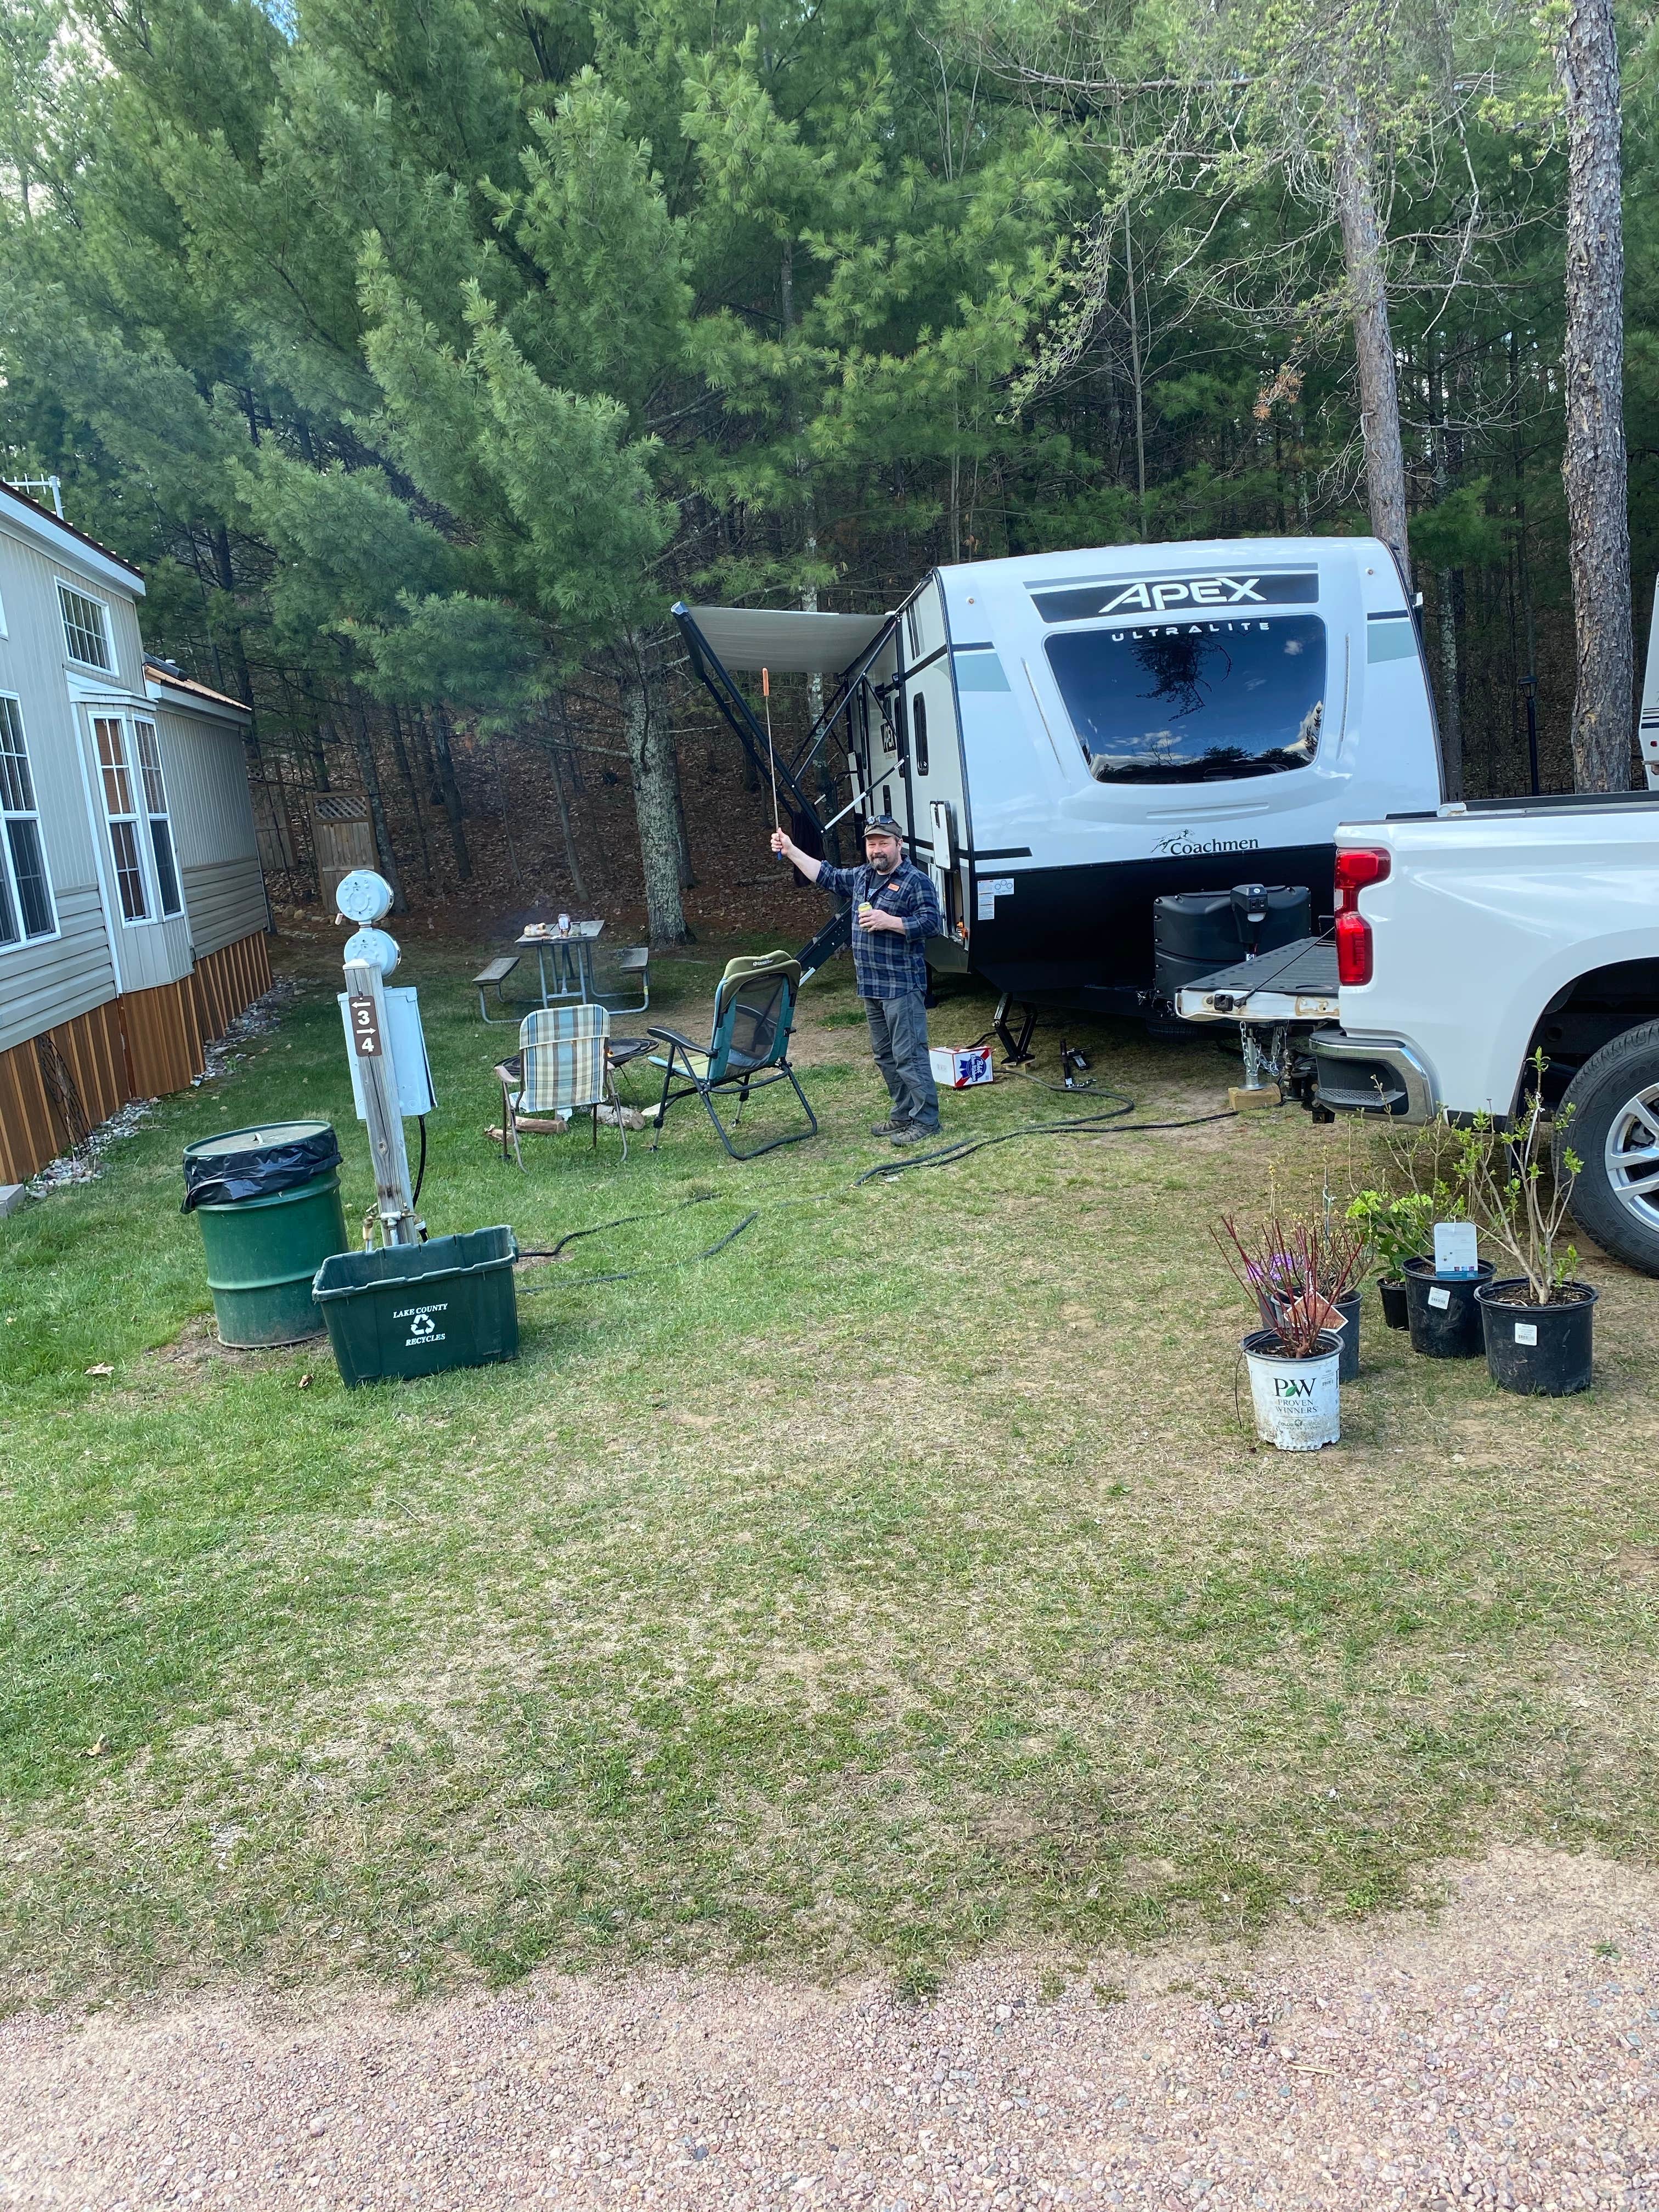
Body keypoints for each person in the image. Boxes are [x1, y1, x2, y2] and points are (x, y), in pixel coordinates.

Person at [771, 815, 943, 1145]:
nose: (877, 850)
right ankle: (903, 1113)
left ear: (898, 845)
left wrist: (889, 921)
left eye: (884, 843)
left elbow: (932, 924)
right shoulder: (863, 876)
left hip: (902, 986)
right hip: (871, 985)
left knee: (910, 1055)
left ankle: (926, 1120)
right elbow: (827, 875)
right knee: (884, 1055)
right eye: (871, 843)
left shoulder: (915, 881)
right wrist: (791, 850)